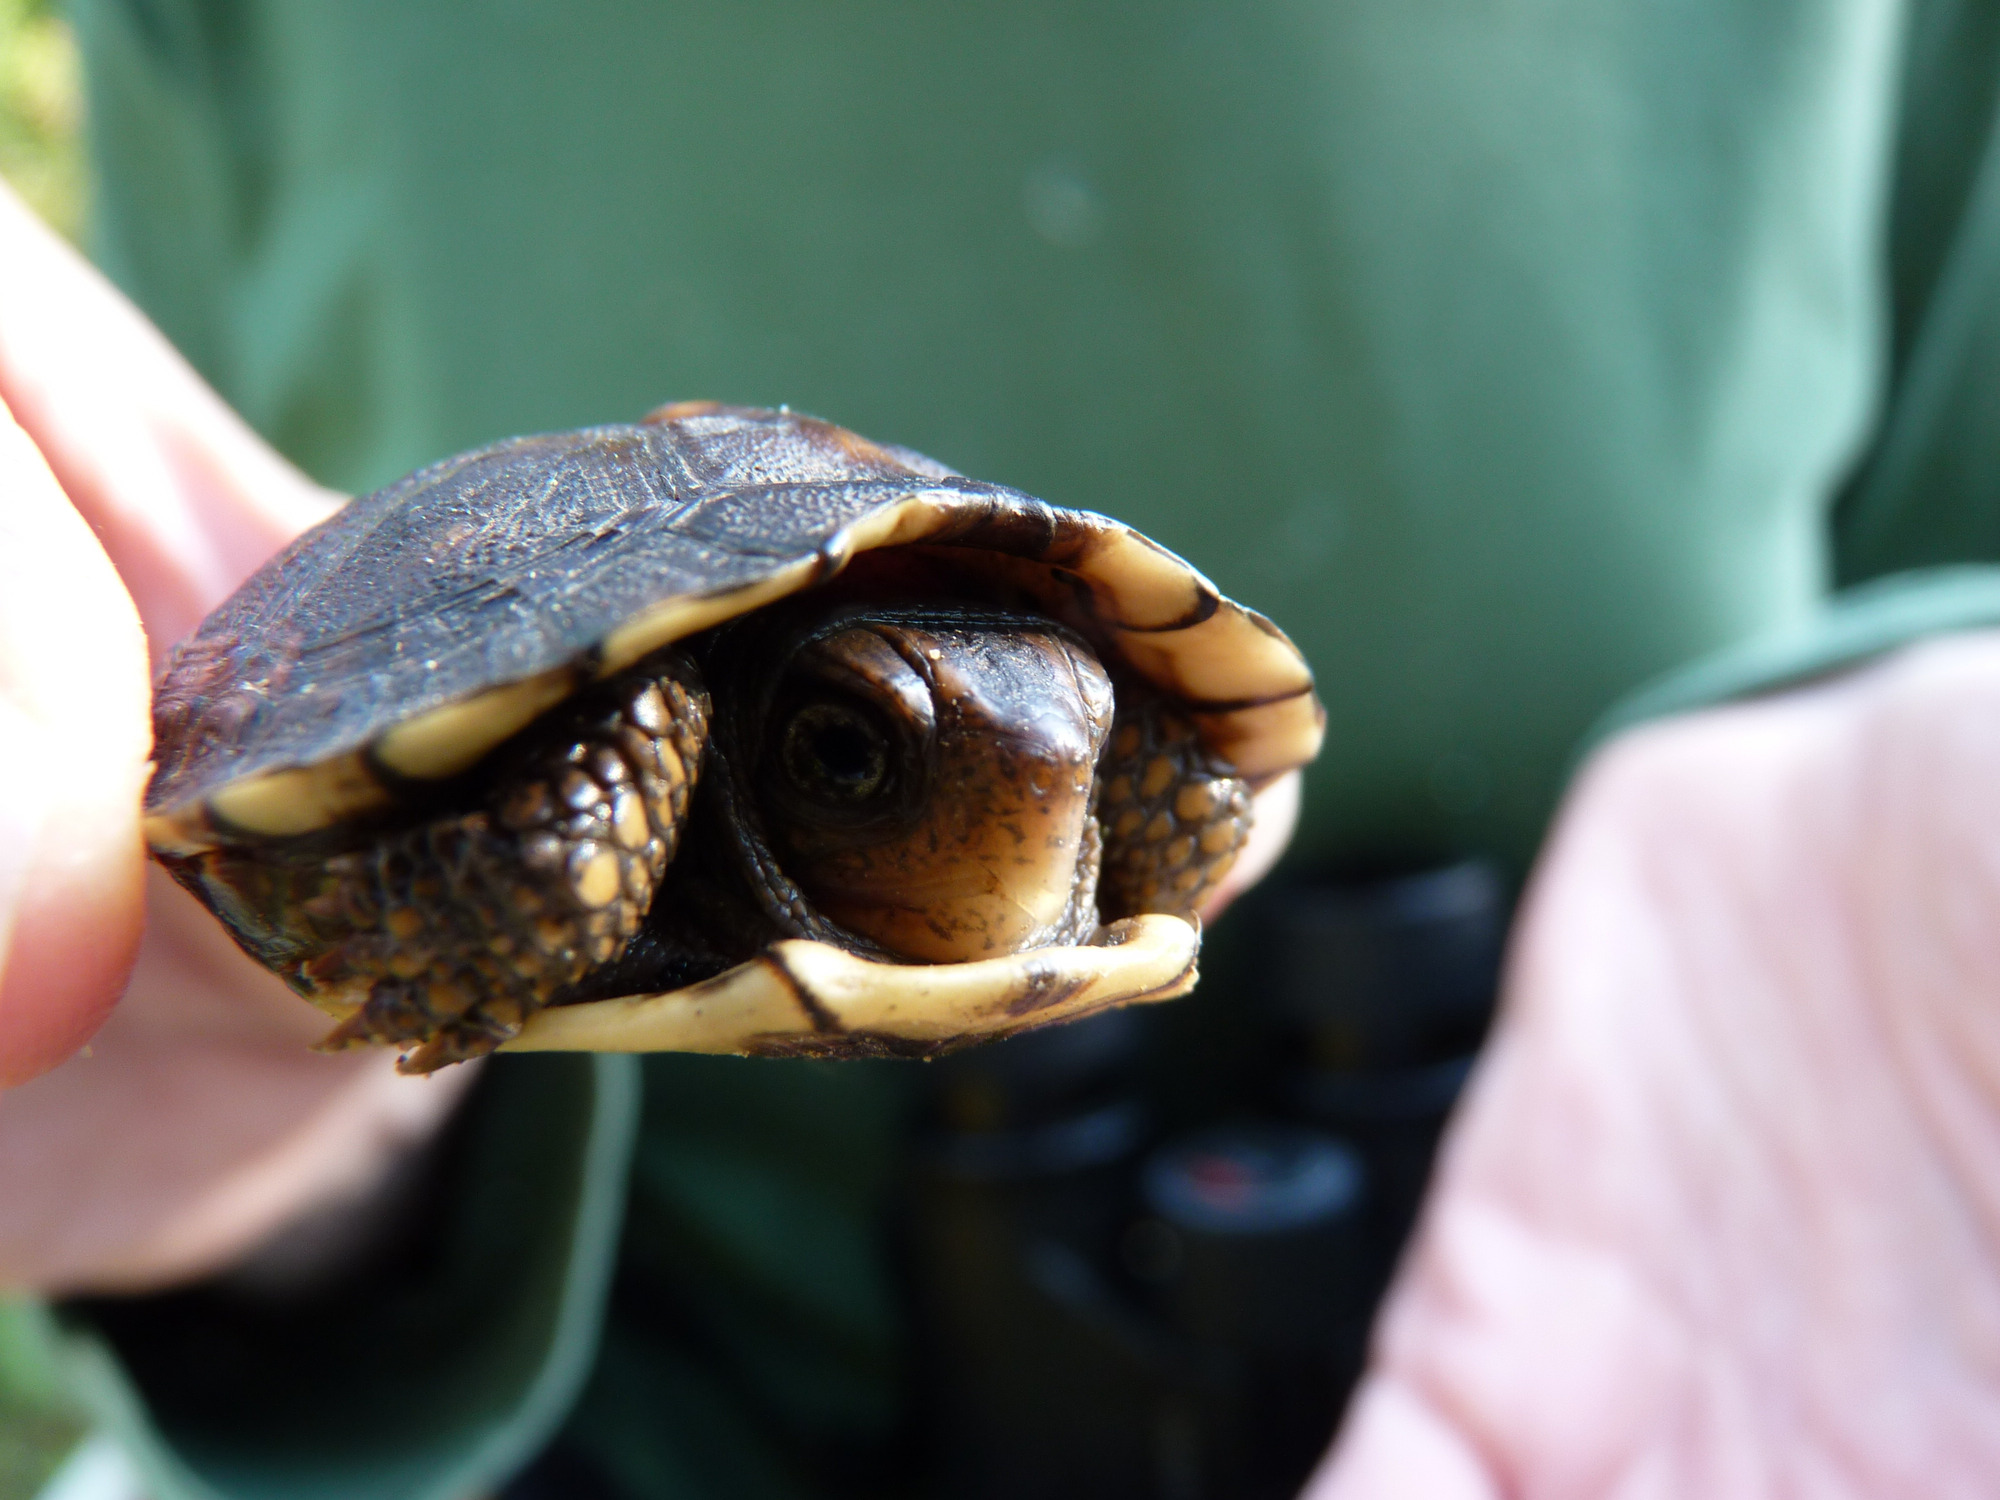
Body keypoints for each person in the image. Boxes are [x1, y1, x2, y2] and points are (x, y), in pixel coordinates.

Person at [4, 0, 2000, 1494]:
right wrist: (311, 1169)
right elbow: (221, 633)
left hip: (1647, 1279)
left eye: (1081, 750)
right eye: (865, 754)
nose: (1045, 796)